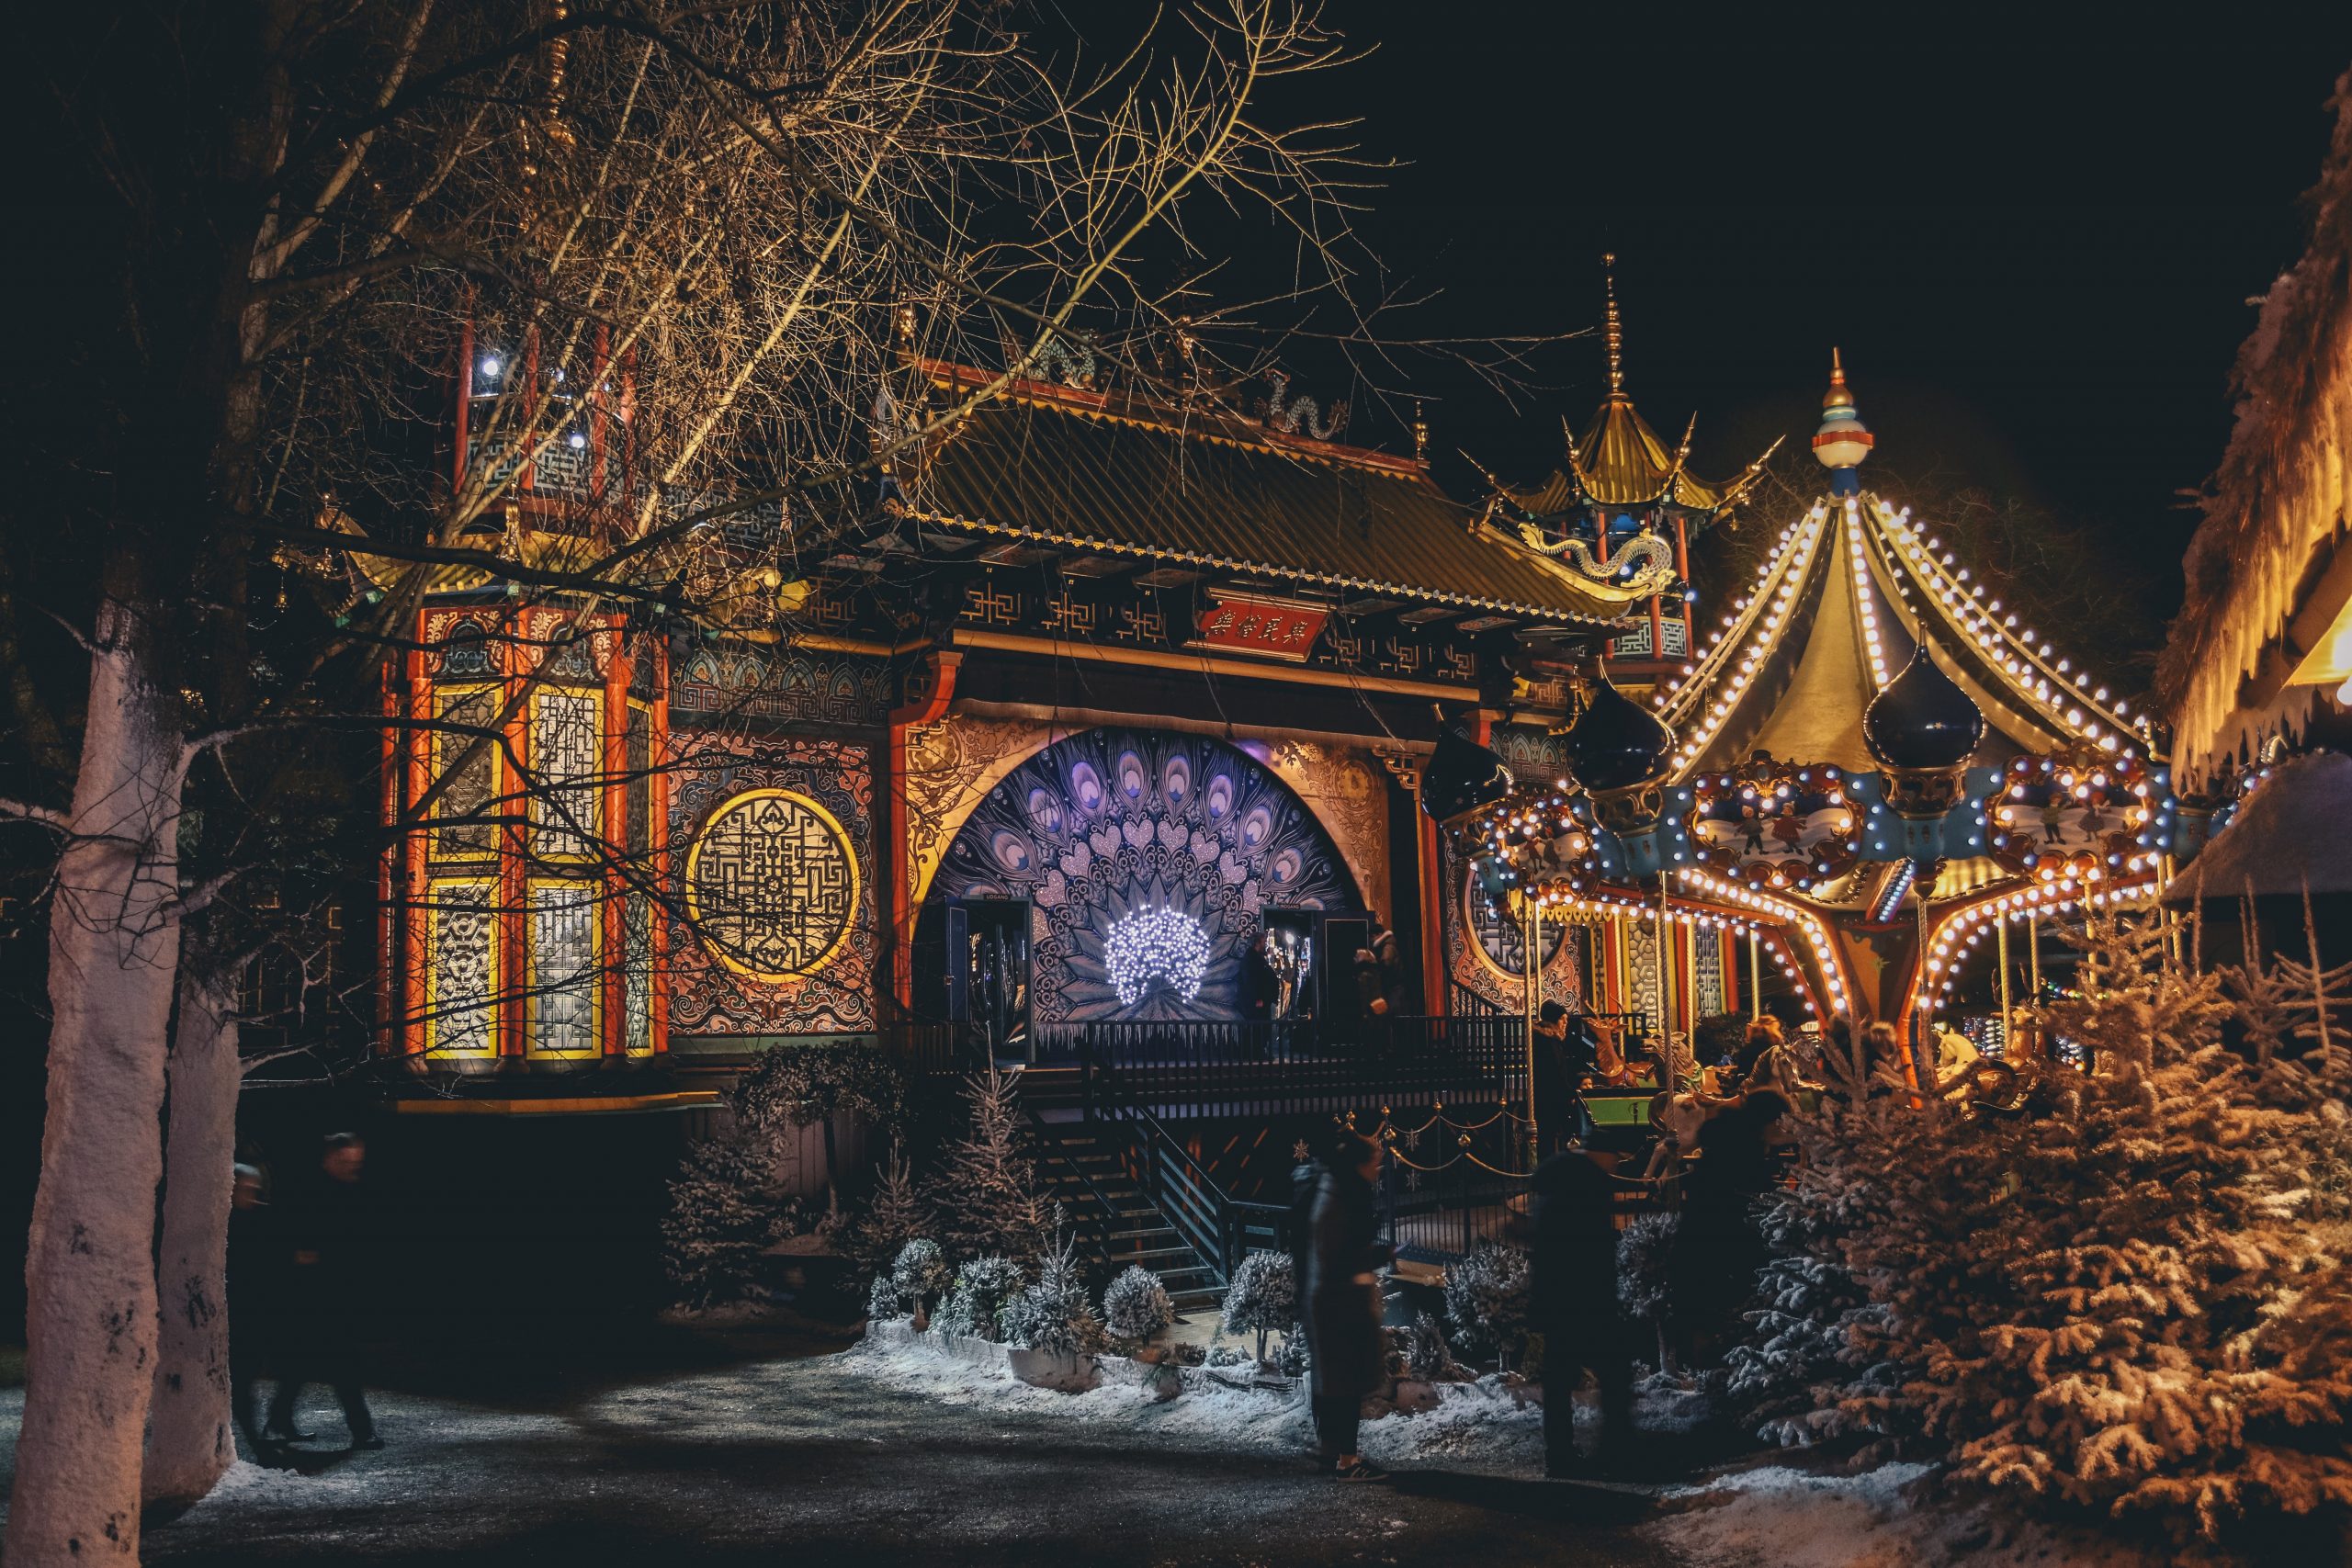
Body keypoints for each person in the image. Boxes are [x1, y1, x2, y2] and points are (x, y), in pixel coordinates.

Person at [267, 1133, 381, 1451]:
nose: (352, 1167)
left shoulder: (341, 1191)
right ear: (329, 1159)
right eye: (346, 1161)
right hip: (318, 1295)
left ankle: (280, 1418)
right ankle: (361, 1430)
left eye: (355, 1161)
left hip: (327, 1292)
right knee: (344, 1364)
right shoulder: (313, 1194)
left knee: (303, 1362)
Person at [1530, 1144, 1638, 1477]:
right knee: (1614, 1373)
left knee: (1559, 1381)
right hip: (1588, 1302)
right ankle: (1615, 1450)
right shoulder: (1586, 1191)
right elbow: (1596, 1254)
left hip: (1559, 1302)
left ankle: (1559, 1453)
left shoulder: (1556, 1189)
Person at [1671, 1089, 1794, 1364]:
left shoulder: (1730, 1139)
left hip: (1705, 1234)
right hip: (1724, 1239)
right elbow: (1748, 1191)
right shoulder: (1742, 1151)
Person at [1303, 1131, 1394, 1480]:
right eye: (1374, 1161)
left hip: (1339, 1302)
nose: (1378, 1167)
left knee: (1345, 1383)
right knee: (1344, 1384)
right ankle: (1344, 1460)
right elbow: (1336, 1255)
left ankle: (1342, 1455)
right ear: (1358, 1164)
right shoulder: (1338, 1197)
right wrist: (1367, 1264)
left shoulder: (1343, 1191)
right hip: (1336, 1305)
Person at [227, 1162, 283, 1464]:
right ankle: (256, 1440)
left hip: (256, 1312)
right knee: (241, 1380)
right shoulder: (228, 1223)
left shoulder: (261, 1219)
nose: (250, 1195)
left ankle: (263, 1432)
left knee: (246, 1377)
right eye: (243, 1189)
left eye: (253, 1190)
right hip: (238, 1314)